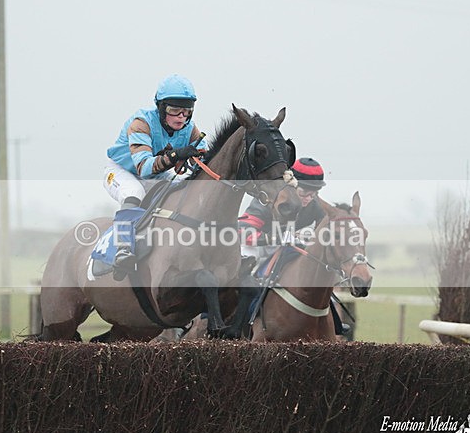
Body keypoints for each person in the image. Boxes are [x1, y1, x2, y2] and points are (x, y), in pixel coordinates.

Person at [104, 74, 208, 278]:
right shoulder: (141, 123)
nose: (181, 117)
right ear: (161, 108)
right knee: (133, 192)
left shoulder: (190, 128)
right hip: (121, 171)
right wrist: (176, 155)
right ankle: (123, 249)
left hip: (156, 174)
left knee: (182, 186)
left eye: (186, 111)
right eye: (174, 110)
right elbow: (144, 168)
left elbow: (204, 159)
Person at [235, 157, 349, 335]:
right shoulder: (267, 200)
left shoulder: (316, 206)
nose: (308, 198)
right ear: (291, 185)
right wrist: (275, 237)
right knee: (246, 277)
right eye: (304, 192)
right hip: (259, 248)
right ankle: (237, 322)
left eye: (314, 193)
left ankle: (333, 321)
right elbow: (242, 232)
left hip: (292, 249)